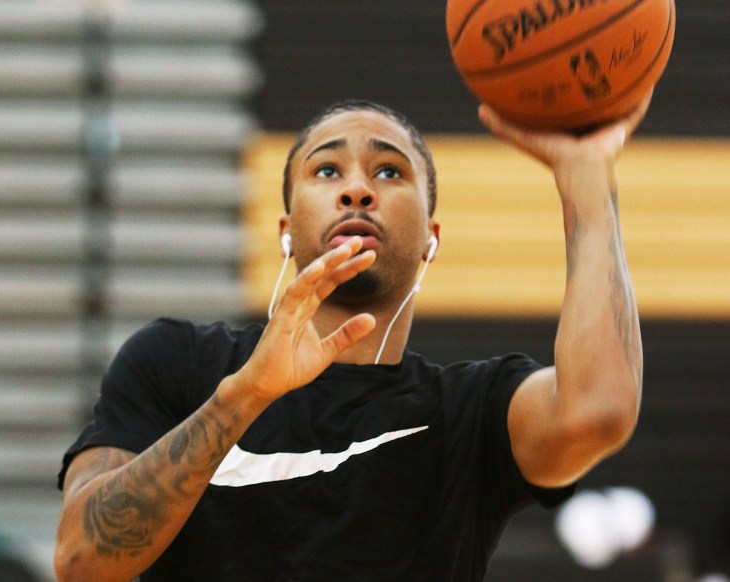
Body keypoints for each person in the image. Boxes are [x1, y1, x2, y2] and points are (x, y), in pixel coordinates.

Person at [54, 95, 649, 582]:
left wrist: (588, 184)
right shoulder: (178, 363)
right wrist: (243, 398)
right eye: (327, 170)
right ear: (286, 230)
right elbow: (83, 558)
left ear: (430, 240)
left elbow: (599, 412)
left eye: (389, 171)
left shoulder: (471, 414)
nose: (358, 189)